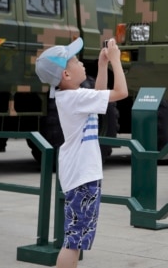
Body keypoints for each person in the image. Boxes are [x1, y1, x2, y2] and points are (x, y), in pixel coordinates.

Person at [34, 37, 128, 268]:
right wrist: (116, 60)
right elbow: (121, 92)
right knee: (74, 241)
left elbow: (99, 98)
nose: (81, 64)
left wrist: (102, 65)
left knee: (75, 238)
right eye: (76, 61)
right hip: (83, 177)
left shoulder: (72, 97)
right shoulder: (75, 98)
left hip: (79, 175)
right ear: (66, 75)